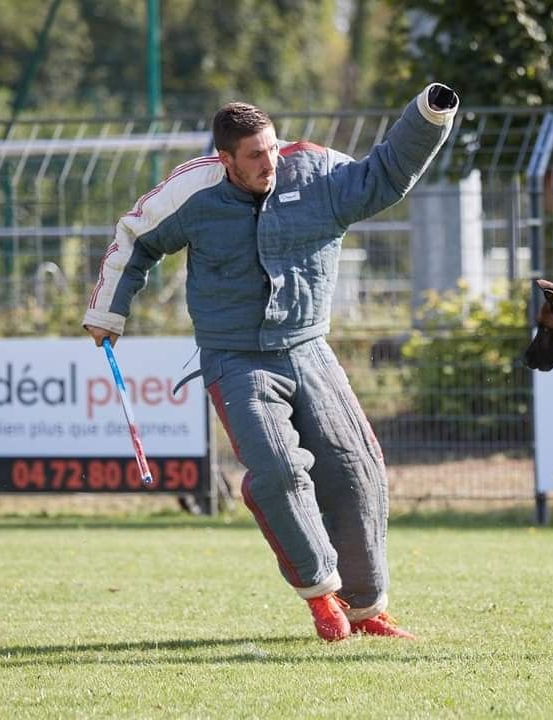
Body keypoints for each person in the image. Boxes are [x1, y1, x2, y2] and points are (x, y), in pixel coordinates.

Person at [82, 84, 460, 641]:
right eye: (255, 156)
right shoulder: (192, 191)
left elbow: (384, 174)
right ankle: (322, 598)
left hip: (310, 348)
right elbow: (134, 237)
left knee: (358, 472)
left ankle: (367, 609)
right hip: (235, 357)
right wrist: (108, 313)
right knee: (280, 471)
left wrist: (427, 116)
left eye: (273, 148)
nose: (270, 162)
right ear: (226, 159)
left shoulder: (316, 172)